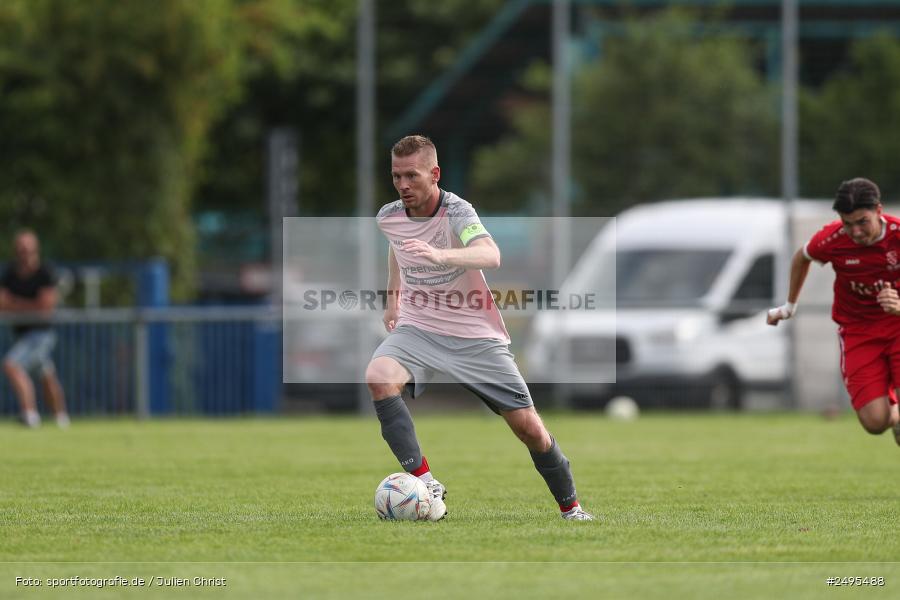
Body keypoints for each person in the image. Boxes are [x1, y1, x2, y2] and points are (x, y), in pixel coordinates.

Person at [365, 135, 593, 521]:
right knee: (378, 376)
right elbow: (397, 246)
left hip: (475, 335)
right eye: (396, 176)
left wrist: (441, 254)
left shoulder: (457, 212)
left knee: (530, 430)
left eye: (412, 176)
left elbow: (490, 254)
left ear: (435, 174)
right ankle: (426, 482)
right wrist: (393, 297)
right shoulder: (389, 216)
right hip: (418, 327)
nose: (403, 185)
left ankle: (571, 508)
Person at [768, 177, 900, 442]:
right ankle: (894, 416)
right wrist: (789, 306)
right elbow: (801, 257)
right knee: (875, 422)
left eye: (862, 222)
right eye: (848, 224)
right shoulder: (832, 240)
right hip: (859, 332)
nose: (856, 232)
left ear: (878, 210)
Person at [0, 230, 68, 428]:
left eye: (27, 249)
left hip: (42, 334)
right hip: (22, 334)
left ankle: (30, 415)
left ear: (35, 250)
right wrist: (30, 305)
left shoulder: (45, 272)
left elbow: (45, 307)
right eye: (20, 249)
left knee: (12, 365)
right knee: (46, 374)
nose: (24, 253)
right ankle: (61, 418)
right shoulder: (10, 274)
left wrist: (15, 304)